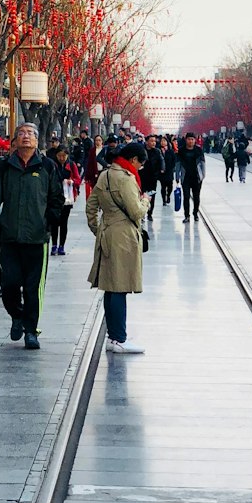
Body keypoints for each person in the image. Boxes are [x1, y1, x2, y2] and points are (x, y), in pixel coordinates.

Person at [0, 122, 64, 351]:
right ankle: (17, 315)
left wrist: (49, 222)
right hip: (9, 238)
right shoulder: (6, 166)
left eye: (30, 134)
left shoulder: (47, 166)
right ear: (15, 141)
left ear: (37, 141)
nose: (26, 137)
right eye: (21, 133)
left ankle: (31, 330)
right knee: (9, 284)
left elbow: (57, 198)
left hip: (37, 238)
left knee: (34, 288)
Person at [86, 141, 148, 354]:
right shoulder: (126, 179)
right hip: (123, 237)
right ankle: (119, 338)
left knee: (110, 287)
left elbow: (91, 206)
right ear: (133, 160)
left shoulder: (105, 175)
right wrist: (146, 201)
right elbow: (136, 212)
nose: (140, 167)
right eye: (140, 163)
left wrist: (99, 229)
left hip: (108, 232)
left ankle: (113, 337)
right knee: (120, 287)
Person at [51, 146, 82, 255]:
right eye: (59, 156)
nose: (62, 158)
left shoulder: (71, 165)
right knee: (54, 222)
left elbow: (78, 179)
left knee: (64, 222)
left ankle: (61, 246)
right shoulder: (52, 165)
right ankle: (54, 245)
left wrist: (71, 181)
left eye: (64, 156)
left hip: (67, 198)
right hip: (55, 197)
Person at [178, 131, 206, 223]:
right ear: (186, 140)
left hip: (196, 177)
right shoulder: (181, 150)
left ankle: (195, 213)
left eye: (192, 139)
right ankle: (187, 215)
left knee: (196, 197)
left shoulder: (198, 150)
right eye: (189, 139)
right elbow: (178, 164)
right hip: (185, 177)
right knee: (186, 197)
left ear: (195, 140)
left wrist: (202, 175)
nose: (191, 141)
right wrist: (177, 176)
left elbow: (203, 163)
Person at [141, 134, 163, 222]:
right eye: (151, 141)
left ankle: (150, 213)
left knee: (151, 195)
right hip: (142, 176)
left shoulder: (157, 151)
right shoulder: (142, 150)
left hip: (153, 177)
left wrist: (161, 169)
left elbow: (161, 161)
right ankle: (141, 213)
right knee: (142, 195)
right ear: (146, 142)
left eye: (154, 141)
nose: (154, 143)